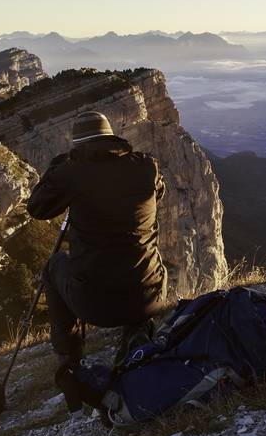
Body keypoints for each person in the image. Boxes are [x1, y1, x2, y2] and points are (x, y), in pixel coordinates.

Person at [25, 111, 169, 368]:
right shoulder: (148, 165)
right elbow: (157, 196)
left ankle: (71, 358)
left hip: (94, 308)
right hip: (151, 298)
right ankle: (137, 329)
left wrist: (55, 169)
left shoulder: (72, 171)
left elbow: (37, 208)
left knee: (53, 266)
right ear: (111, 137)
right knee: (136, 258)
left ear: (78, 146)